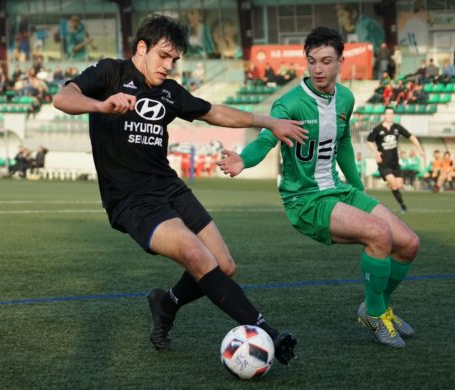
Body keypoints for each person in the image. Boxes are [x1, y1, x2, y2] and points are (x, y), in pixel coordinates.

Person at [52, 14, 303, 364]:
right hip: (130, 198)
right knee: (198, 256)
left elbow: (214, 112)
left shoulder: (169, 92)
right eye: (163, 56)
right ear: (142, 48)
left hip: (169, 187)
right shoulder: (110, 73)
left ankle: (165, 302)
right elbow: (62, 98)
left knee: (223, 264)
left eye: (174, 59)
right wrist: (101, 105)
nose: (169, 65)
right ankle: (269, 335)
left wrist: (270, 121)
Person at [218, 26, 421, 348]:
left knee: (409, 243)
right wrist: (243, 160)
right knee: (379, 235)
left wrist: (359, 191)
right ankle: (376, 313)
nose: (317, 69)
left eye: (326, 61)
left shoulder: (346, 98)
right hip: (306, 199)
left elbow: (342, 146)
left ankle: (375, 306)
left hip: (339, 190)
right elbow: (267, 138)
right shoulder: (290, 104)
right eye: (312, 61)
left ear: (341, 61)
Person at [367, 106, 425, 212]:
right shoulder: (378, 129)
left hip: (395, 163)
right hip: (383, 163)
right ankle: (402, 205)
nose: (389, 115)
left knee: (399, 186)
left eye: (391, 113)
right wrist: (376, 152)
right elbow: (369, 141)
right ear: (384, 115)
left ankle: (399, 199)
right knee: (393, 185)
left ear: (393, 115)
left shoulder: (397, 128)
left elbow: (411, 136)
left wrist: (420, 148)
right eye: (387, 113)